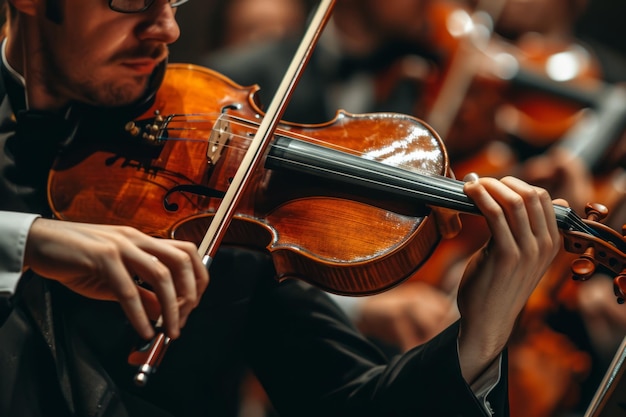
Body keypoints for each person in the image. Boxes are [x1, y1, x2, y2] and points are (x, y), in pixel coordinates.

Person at [0, 1, 566, 417]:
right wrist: (33, 242)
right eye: (131, 0)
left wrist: (481, 339)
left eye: (173, 0)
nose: (167, 27)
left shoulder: (221, 196)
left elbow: (350, 404)